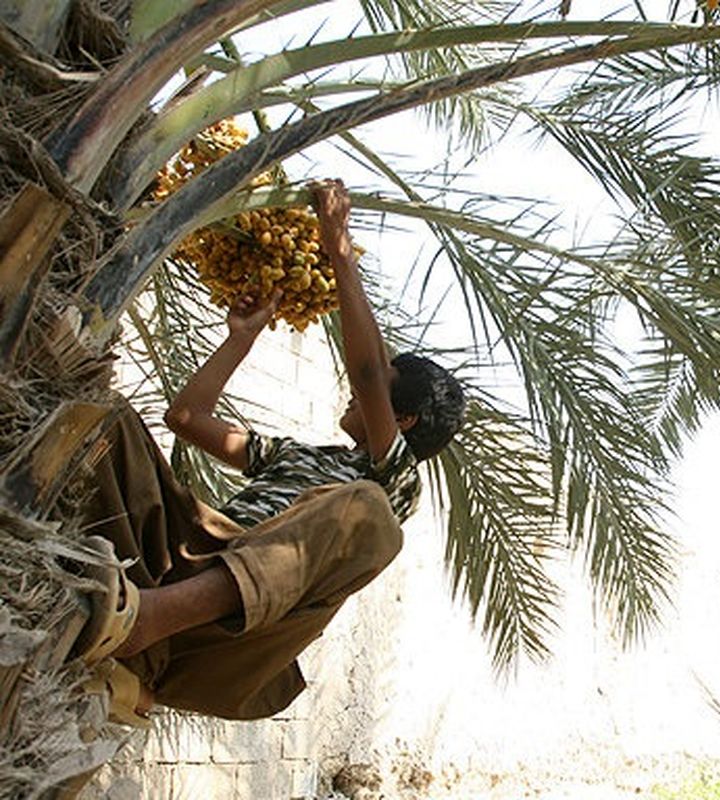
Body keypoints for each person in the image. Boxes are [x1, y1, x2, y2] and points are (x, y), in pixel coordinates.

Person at [70, 179, 464, 722]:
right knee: (104, 417)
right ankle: (137, 665)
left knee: (368, 514)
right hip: (190, 552)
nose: (357, 390)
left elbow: (369, 372)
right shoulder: (298, 456)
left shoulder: (391, 482)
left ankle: (150, 626)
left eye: (382, 389)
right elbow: (186, 419)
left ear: (403, 419)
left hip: (250, 614)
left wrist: (338, 248)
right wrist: (241, 336)